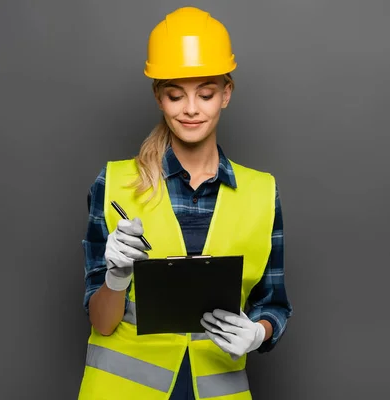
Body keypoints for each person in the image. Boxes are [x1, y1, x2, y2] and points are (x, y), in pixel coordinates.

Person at [77, 6, 293, 400]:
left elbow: (273, 304)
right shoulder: (114, 185)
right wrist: (115, 277)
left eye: (206, 94)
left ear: (226, 94)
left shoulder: (263, 192)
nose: (191, 109)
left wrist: (256, 334)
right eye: (176, 95)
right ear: (159, 97)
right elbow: (101, 322)